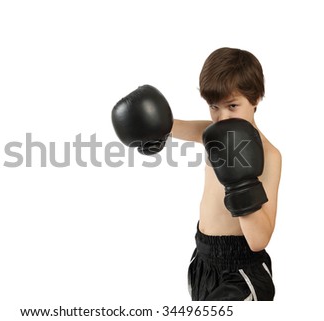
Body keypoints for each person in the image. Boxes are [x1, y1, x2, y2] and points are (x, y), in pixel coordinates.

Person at [111, 47, 281, 301]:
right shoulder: (215, 133)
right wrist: (153, 125)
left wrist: (240, 184)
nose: (221, 117)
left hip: (242, 271)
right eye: (214, 107)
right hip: (203, 260)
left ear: (256, 98)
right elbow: (172, 127)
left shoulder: (269, 155)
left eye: (232, 106)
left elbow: (259, 240)